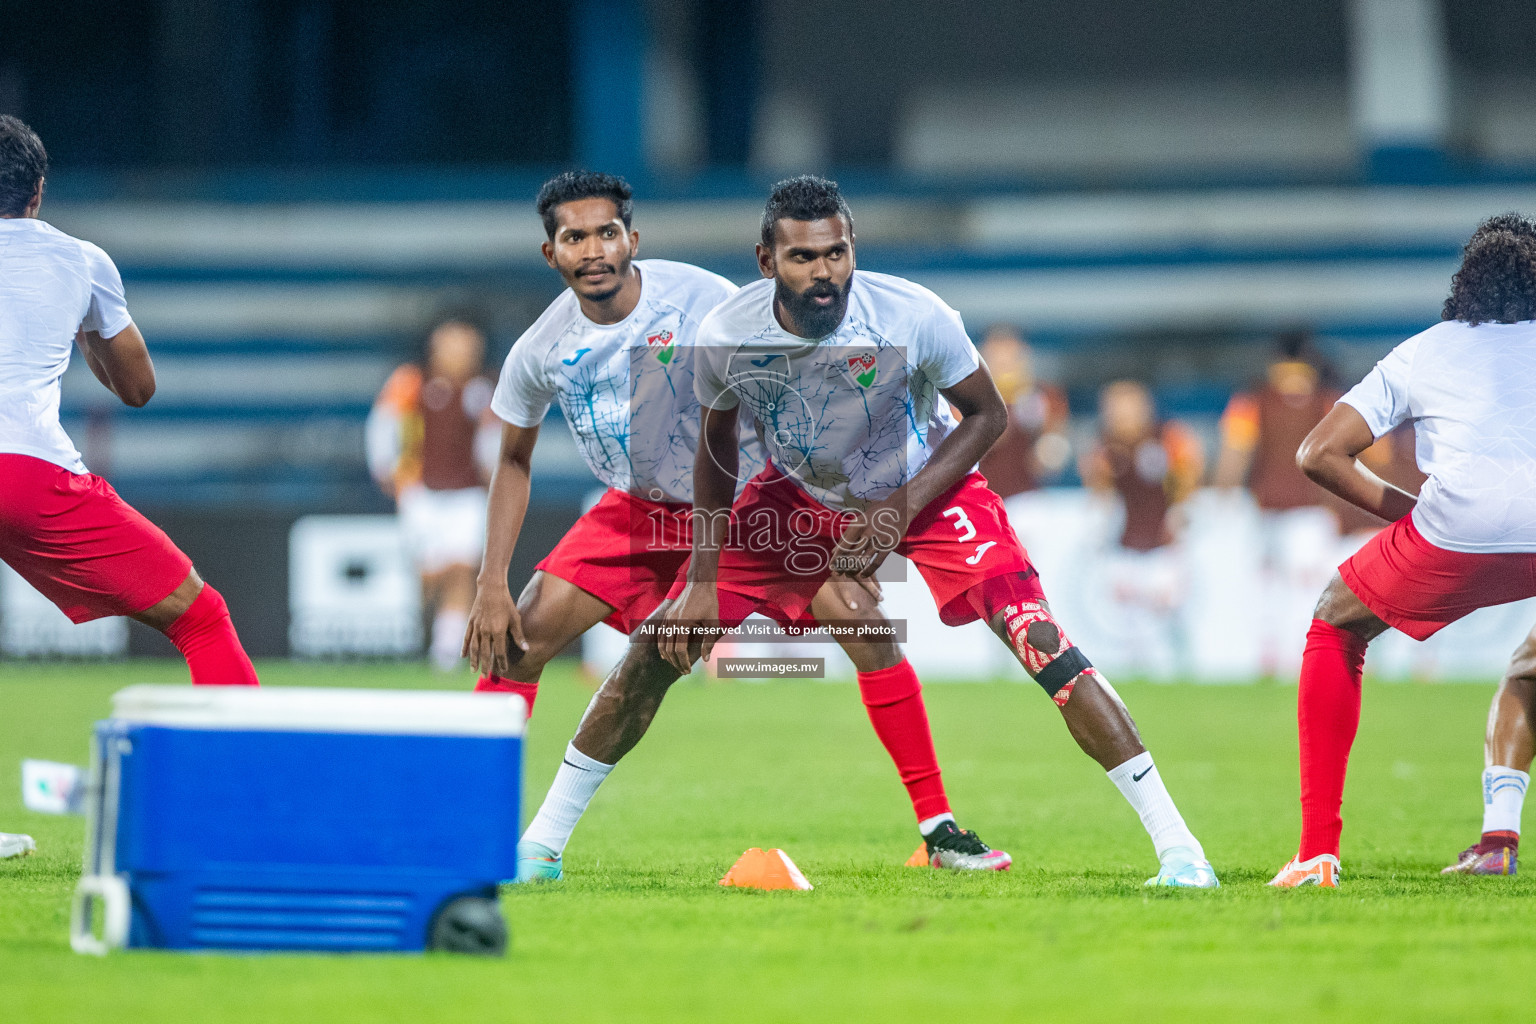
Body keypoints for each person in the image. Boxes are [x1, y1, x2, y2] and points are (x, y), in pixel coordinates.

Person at [532, 175, 1216, 888]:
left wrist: (898, 508)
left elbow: (987, 416)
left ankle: (1180, 850)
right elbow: (717, 451)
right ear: (767, 261)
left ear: (852, 248)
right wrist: (701, 580)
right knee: (662, 643)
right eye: (802, 258)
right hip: (797, 496)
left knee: (1039, 639)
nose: (823, 272)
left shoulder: (914, 314)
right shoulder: (729, 334)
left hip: (932, 486)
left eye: (836, 253)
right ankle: (541, 848)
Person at [461, 171, 1010, 880]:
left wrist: (842, 500)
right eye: (575, 237)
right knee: (518, 645)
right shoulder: (541, 348)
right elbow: (511, 457)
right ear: (552, 252)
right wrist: (490, 582)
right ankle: (493, 834)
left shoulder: (701, 298)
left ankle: (939, 829)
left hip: (746, 502)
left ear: (632, 238)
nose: (594, 250)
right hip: (635, 511)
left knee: (864, 628)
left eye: (606, 233)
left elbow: (786, 364)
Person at [0, 116, 259, 857]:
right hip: (25, 468)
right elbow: (137, 387)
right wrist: (85, 326)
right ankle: (249, 803)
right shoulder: (80, 261)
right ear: (39, 191)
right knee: (199, 617)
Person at [1270, 213, 1536, 888]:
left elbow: (1319, 454)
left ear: (1464, 285)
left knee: (1335, 622)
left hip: (1455, 532)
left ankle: (1317, 853)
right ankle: (1499, 840)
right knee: (1531, 665)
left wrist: (1412, 516)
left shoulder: (1427, 349)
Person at [367, 319, 499, 671]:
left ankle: (445, 651)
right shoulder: (411, 381)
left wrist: (495, 476)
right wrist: (386, 467)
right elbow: (384, 422)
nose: (461, 353)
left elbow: (493, 436)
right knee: (429, 572)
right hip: (421, 491)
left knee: (463, 567)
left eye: (468, 346)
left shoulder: (483, 387)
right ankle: (414, 636)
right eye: (453, 345)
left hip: (467, 494)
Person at [1213, 332, 1345, 676]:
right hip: (1311, 511)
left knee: (1269, 587)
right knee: (1308, 589)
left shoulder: (1253, 400)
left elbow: (1234, 451)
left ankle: (1269, 658)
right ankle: (1304, 658)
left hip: (1267, 508)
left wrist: (1223, 491)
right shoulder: (1328, 401)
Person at [1079, 380, 1204, 678]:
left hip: (1162, 542)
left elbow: (1191, 466)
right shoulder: (1106, 444)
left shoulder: (1165, 436)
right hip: (1124, 542)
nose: (1119, 414)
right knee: (1128, 617)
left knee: (1167, 611)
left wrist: (1181, 507)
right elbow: (1099, 486)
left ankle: (1181, 670)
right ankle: (1136, 674)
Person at [975, 324, 1070, 498]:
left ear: (1022, 354)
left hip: (1026, 500)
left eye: (1009, 352)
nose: (1003, 360)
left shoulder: (1044, 395)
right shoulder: (971, 396)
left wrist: (1047, 450)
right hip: (983, 497)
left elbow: (1054, 455)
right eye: (996, 353)